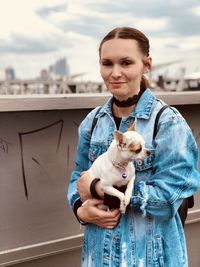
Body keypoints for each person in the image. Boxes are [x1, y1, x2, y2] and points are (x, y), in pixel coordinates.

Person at [67, 27, 200, 267]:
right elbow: (79, 177)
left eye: (126, 63)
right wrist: (79, 209)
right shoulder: (93, 122)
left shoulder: (169, 123)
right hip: (98, 257)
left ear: (146, 65)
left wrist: (100, 191)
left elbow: (170, 199)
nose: (115, 73)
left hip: (151, 259)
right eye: (107, 63)